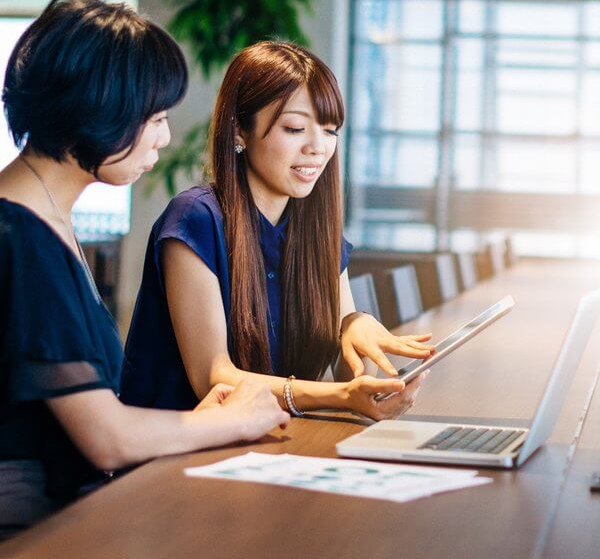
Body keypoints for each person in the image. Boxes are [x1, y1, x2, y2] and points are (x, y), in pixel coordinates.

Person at [0, 0, 289, 539]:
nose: (164, 136)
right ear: (100, 110)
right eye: (154, 117)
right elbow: (106, 438)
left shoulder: (38, 218)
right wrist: (235, 419)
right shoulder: (24, 237)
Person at [121, 41, 433, 420]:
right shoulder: (195, 219)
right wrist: (341, 396)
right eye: (295, 128)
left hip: (270, 445)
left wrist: (355, 326)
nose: (318, 147)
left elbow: (351, 381)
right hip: (175, 457)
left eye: (330, 130)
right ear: (239, 130)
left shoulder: (317, 232)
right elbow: (214, 380)